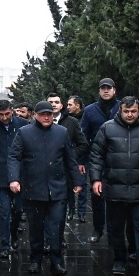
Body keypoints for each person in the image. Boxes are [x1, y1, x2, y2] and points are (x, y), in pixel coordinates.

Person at [90, 96, 139, 276]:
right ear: (120, 111)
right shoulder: (107, 128)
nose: (130, 115)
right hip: (115, 187)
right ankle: (119, 260)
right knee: (116, 227)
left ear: (138, 111)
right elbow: (97, 155)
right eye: (126, 111)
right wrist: (95, 179)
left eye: (133, 111)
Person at [8, 100, 84, 276]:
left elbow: (70, 159)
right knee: (36, 228)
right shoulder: (24, 133)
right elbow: (14, 156)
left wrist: (78, 181)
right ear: (35, 115)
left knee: (56, 227)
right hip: (33, 189)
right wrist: (14, 178)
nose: (46, 117)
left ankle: (57, 261)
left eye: (49, 114)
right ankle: (36, 260)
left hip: (57, 190)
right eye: (42, 114)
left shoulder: (61, 132)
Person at [0, 100, 28, 259]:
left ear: (12, 111)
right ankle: (4, 244)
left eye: (7, 114)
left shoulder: (23, 125)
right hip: (0, 176)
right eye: (1, 114)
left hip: (19, 176)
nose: (4, 118)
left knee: (17, 210)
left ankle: (14, 234)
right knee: (3, 212)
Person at [80, 78, 120, 243]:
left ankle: (114, 231)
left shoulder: (121, 107)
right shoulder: (90, 110)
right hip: (97, 158)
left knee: (116, 197)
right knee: (97, 195)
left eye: (108, 88)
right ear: (99, 90)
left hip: (119, 158)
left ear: (114, 90)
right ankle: (98, 229)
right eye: (103, 88)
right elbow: (83, 137)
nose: (106, 91)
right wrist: (81, 160)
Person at [48, 92, 90, 224]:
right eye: (50, 102)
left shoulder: (71, 122)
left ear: (62, 105)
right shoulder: (39, 121)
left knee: (62, 203)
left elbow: (83, 144)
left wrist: (70, 156)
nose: (53, 105)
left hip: (64, 170)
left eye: (56, 102)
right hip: (45, 171)